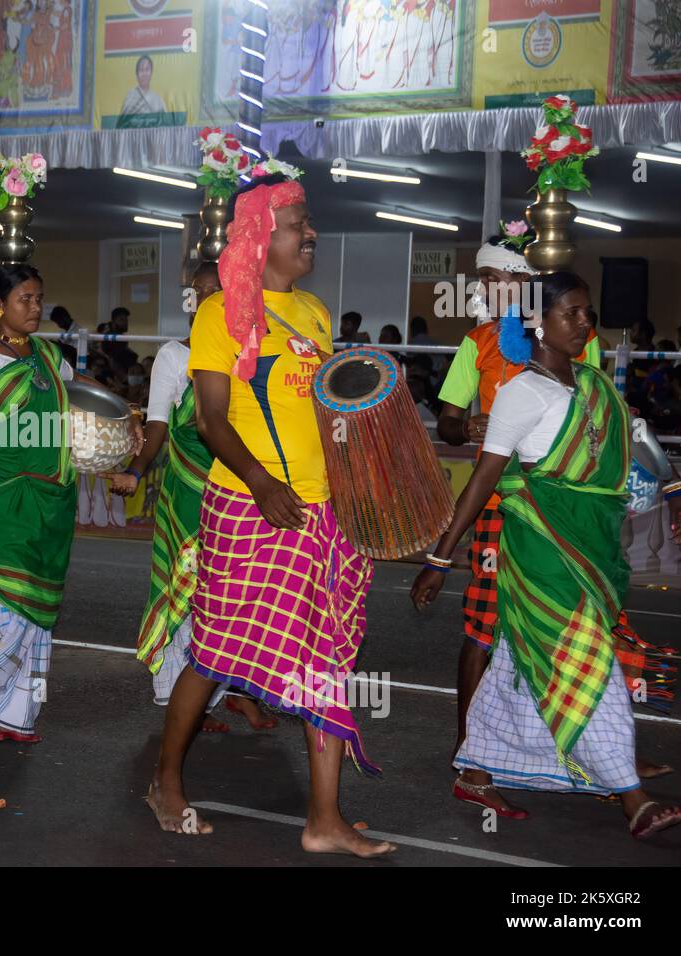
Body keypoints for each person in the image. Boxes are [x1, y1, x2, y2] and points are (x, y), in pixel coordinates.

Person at [145, 176, 394, 856]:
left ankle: (324, 818)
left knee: (329, 662)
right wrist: (260, 483)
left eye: (309, 225)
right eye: (297, 225)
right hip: (250, 506)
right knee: (215, 651)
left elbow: (325, 411)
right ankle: (166, 779)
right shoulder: (220, 314)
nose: (310, 235)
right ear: (261, 236)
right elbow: (211, 418)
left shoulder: (313, 313)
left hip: (321, 513)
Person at [413, 271, 681, 839]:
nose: (585, 323)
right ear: (537, 323)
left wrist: (675, 487)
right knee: (588, 663)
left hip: (592, 551)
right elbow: (482, 482)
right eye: (571, 313)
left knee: (518, 665)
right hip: (544, 554)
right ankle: (631, 797)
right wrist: (440, 561)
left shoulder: (591, 383)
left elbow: (635, 435)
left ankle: (477, 761)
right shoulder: (522, 392)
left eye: (587, 312)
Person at [0, 264, 140, 742]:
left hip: (51, 503)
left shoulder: (48, 355)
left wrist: (126, 413)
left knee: (37, 612)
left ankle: (16, 711)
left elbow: (82, 392)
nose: (35, 308)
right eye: (24, 299)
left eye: (39, 298)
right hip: (0, 502)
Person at [113, 261, 275, 735]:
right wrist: (136, 470)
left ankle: (237, 691)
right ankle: (186, 698)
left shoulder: (251, 352)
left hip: (241, 489)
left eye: (214, 291)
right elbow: (159, 424)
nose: (202, 300)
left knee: (244, 595)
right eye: (197, 291)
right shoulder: (172, 356)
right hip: (188, 496)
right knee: (188, 593)